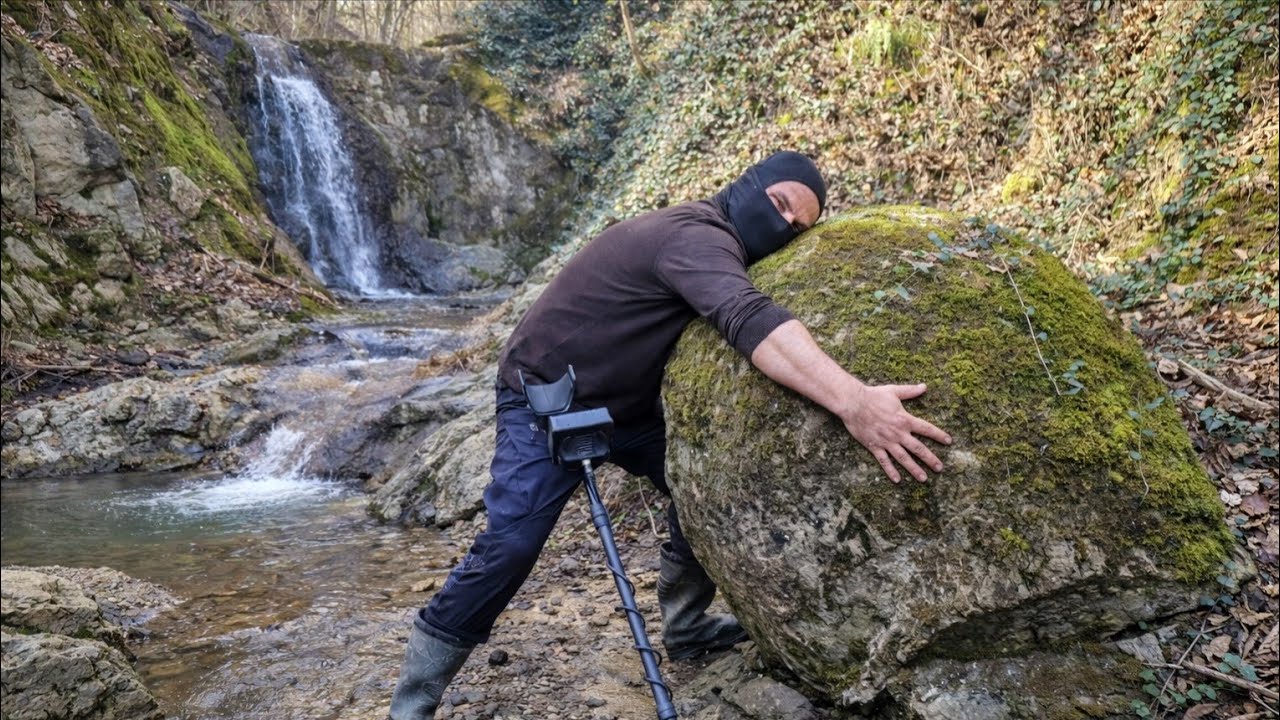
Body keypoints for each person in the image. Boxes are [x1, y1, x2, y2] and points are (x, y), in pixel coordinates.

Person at [389, 151, 952, 718]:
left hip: (628, 410)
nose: (781, 227)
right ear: (747, 185)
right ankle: (413, 701)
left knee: (701, 488)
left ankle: (686, 626)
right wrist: (855, 402)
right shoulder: (693, 236)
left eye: (797, 227)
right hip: (544, 398)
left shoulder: (712, 238)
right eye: (779, 204)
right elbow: (747, 317)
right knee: (511, 544)